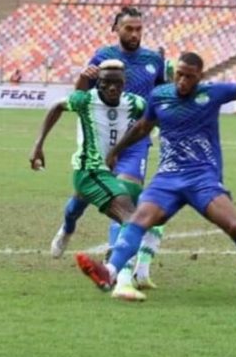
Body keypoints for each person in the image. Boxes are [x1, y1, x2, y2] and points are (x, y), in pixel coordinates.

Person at [75, 47, 236, 302]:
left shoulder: (212, 93)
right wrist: (116, 151)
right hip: (167, 178)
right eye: (179, 74)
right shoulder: (159, 96)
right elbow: (142, 127)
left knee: (234, 226)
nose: (183, 81)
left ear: (200, 77)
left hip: (202, 178)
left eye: (189, 76)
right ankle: (110, 272)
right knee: (138, 220)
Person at [50, 6, 170, 290]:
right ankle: (68, 227)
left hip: (135, 142)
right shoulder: (103, 57)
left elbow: (162, 96)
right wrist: (84, 76)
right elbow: (80, 95)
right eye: (129, 28)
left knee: (125, 198)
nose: (135, 34)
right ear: (116, 29)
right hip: (101, 140)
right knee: (79, 202)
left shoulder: (154, 60)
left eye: (139, 29)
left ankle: (116, 266)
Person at [29, 60, 157, 301]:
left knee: (75, 209)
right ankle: (114, 270)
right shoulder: (86, 100)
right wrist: (38, 145)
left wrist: (120, 149)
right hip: (89, 170)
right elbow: (56, 107)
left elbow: (148, 122)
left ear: (124, 83)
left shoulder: (135, 103)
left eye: (117, 83)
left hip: (110, 169)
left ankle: (68, 228)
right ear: (99, 83)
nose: (112, 87)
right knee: (131, 218)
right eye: (106, 82)